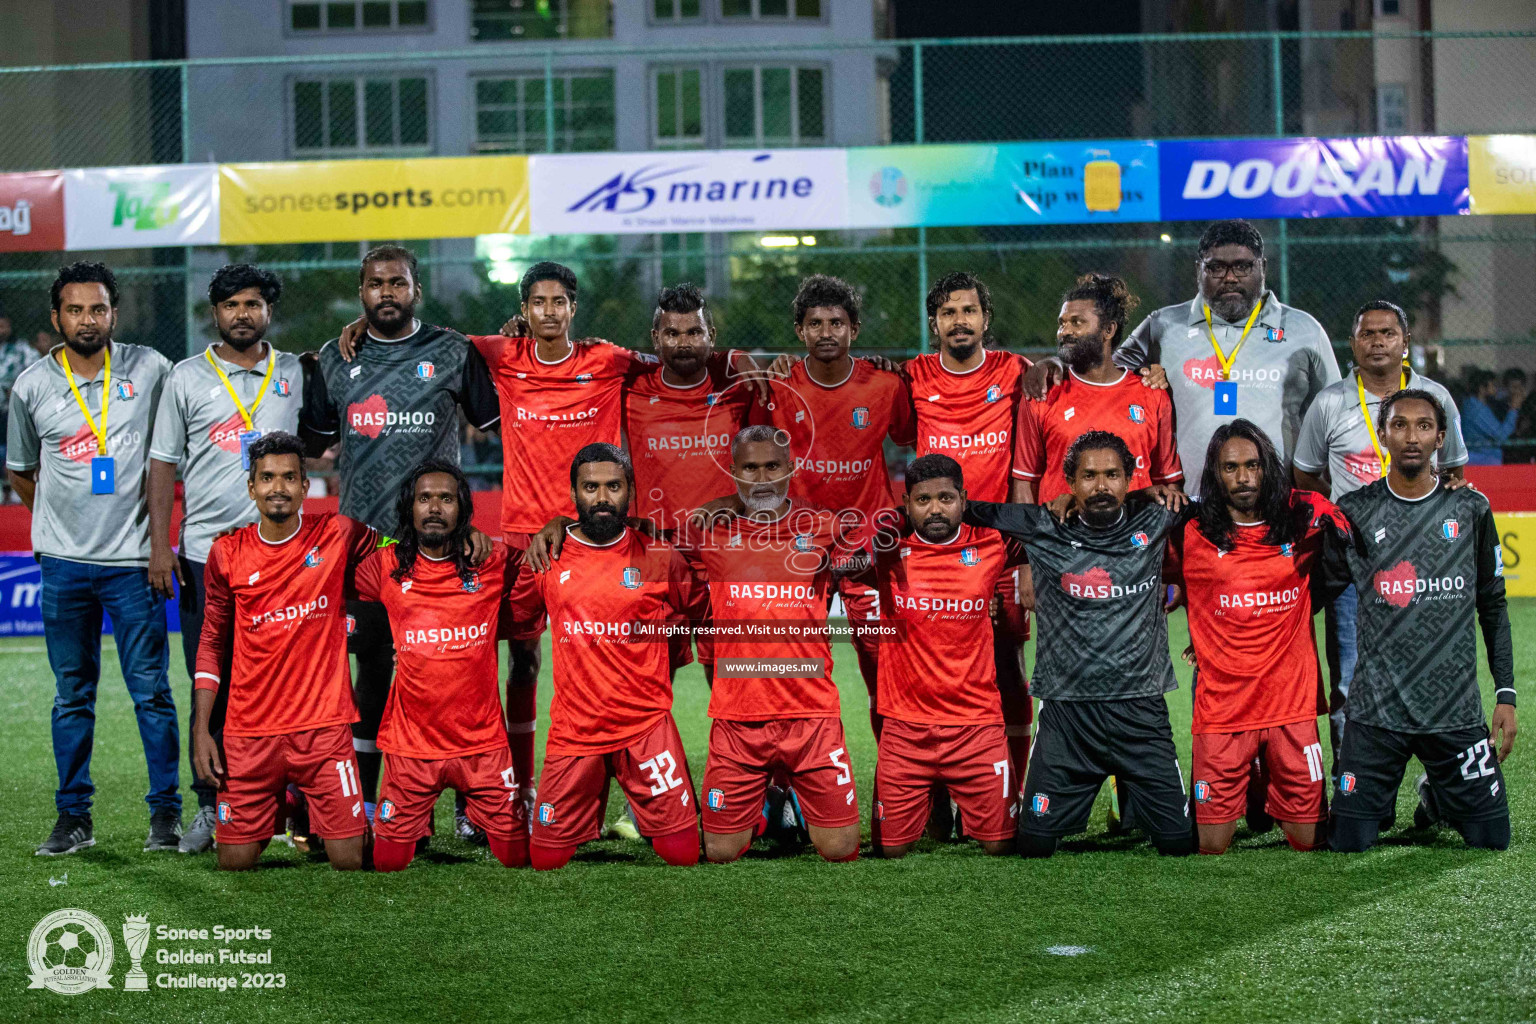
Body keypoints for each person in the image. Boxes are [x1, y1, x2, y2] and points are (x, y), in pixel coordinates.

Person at [299, 244, 502, 831]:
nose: (386, 292)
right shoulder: (334, 361)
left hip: (440, 547)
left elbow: (496, 418)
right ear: (360, 292)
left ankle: (473, 801)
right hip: (365, 549)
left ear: (417, 289)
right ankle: (362, 801)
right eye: (375, 284)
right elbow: (312, 444)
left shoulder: (452, 351)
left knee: (457, 671)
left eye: (398, 282)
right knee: (369, 673)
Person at [7, 262, 181, 856]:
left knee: (152, 693)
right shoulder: (31, 385)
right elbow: (20, 469)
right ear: (56, 317)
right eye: (76, 310)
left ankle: (166, 817)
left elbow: (170, 453)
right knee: (72, 696)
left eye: (98, 309)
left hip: (135, 564)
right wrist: (57, 520)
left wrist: (159, 543)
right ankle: (73, 817)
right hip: (62, 566)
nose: (88, 320)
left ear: (114, 313)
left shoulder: (152, 369)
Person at [964, 430, 1194, 858]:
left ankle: (1129, 803)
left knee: (1179, 844)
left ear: (1129, 479)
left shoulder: (1158, 516)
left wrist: (1148, 494)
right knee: (1033, 846)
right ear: (1069, 481)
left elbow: (1231, 509)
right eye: (1088, 476)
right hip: (1067, 713)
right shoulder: (1043, 524)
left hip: (1140, 709)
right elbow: (973, 512)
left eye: (1112, 475)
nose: (1101, 486)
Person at [147, 264, 302, 854]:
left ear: (269, 312)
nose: (244, 313)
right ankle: (211, 807)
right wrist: (161, 545)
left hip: (282, 558)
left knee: (287, 683)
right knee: (210, 680)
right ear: (214, 313)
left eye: (255, 304)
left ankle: (286, 804)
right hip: (205, 556)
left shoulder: (293, 372)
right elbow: (162, 463)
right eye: (232, 304)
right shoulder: (186, 378)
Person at [1326, 389, 1516, 851]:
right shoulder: (1353, 512)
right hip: (1375, 713)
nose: (1412, 436)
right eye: (1400, 425)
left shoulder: (1471, 509)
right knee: (1348, 841)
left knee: (1491, 840)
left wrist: (1505, 695)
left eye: (1424, 426)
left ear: (1441, 439)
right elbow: (1313, 596)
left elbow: (1493, 605)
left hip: (1453, 711)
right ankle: (1382, 799)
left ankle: (1437, 798)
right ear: (1384, 435)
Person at [1027, 220, 1340, 491]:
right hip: (1191, 506)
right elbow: (1102, 370)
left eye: (1243, 266)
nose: (1229, 277)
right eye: (1216, 267)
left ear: (1263, 268)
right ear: (1198, 271)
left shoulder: (1303, 330)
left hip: (1279, 504)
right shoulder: (1164, 324)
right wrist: (1056, 363)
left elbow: (1335, 420)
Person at [1292, 300, 1468, 762]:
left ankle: (1440, 784)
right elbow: (1306, 474)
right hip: (1354, 562)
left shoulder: (1436, 398)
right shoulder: (1329, 402)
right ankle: (1353, 785)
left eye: (1388, 333)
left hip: (1425, 562)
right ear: (1352, 343)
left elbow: (1454, 473)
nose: (1377, 342)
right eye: (1367, 333)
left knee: (1435, 668)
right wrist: (1349, 512)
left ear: (1405, 342)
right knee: (1350, 676)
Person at [510, 444, 701, 869]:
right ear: (574, 493)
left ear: (630, 490)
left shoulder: (659, 555)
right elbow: (516, 618)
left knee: (683, 855)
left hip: (646, 726)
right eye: (590, 487)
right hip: (576, 732)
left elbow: (702, 607)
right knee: (545, 859)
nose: (601, 498)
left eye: (612, 486)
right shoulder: (546, 557)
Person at [190, 433, 374, 870]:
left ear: (305, 486)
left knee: (350, 861)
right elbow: (212, 643)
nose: (279, 487)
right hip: (250, 734)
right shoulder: (226, 553)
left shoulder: (338, 534)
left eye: (289, 477)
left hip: (323, 731)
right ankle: (288, 802)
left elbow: (400, 558)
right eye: (267, 477)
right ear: (251, 486)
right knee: (234, 863)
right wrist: (201, 730)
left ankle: (300, 799)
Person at [1166, 420, 1352, 854]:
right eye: (1230, 468)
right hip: (1223, 713)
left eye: (1252, 465)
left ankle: (1263, 782)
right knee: (1210, 847)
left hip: (1292, 708)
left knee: (1309, 843)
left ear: (1267, 468)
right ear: (1215, 473)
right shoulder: (1190, 535)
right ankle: (1252, 783)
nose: (1243, 477)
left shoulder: (1302, 527)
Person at [689, 425, 859, 863]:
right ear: (732, 472)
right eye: (750, 468)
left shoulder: (824, 527)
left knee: (839, 850)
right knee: (721, 852)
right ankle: (769, 801)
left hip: (811, 712)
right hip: (738, 716)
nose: (761, 479)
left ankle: (794, 798)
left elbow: (872, 544)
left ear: (791, 468)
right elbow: (644, 541)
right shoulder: (709, 531)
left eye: (771, 467)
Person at [902, 271, 1032, 830]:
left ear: (986, 319)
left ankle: (1015, 788)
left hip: (997, 551)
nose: (959, 320)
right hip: (931, 556)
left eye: (969, 310)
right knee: (921, 673)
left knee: (1006, 669)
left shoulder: (1016, 372)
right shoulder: (912, 376)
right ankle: (929, 798)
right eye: (949, 311)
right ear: (935, 323)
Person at [758, 274, 915, 732]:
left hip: (870, 547)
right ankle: (790, 786)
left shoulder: (884, 384)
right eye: (815, 324)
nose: (826, 333)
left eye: (837, 323)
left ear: (855, 329)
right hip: (800, 550)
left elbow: (908, 435)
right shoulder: (780, 385)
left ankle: (896, 791)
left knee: (885, 677)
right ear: (798, 331)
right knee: (793, 675)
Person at [355, 461, 528, 872]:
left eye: (446, 499)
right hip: (410, 749)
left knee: (518, 858)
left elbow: (540, 565)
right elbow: (333, 569)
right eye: (424, 498)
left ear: (462, 509)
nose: (434, 508)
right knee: (389, 862)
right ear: (409, 507)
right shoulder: (385, 566)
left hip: (483, 748)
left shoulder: (493, 561)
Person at [871, 454, 1024, 858]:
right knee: (891, 851)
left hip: (976, 725)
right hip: (906, 729)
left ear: (964, 499)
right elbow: (841, 555)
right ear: (907, 505)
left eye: (946, 498)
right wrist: (886, 524)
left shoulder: (991, 544)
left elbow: (1041, 527)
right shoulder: (888, 554)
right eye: (923, 501)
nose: (935, 509)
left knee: (1001, 846)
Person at [1011, 274, 1182, 505]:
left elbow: (1167, 481)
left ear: (1108, 330)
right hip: (1063, 535)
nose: (1065, 331)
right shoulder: (1042, 393)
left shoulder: (1151, 392)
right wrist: (1036, 539)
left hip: (1133, 537)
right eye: (1062, 323)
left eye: (1077, 322)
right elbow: (1025, 481)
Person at [1459, 369, 1518, 465]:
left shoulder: (1475, 404)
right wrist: (1513, 410)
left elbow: (1502, 395)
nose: (1496, 389)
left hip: (1483, 457)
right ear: (1482, 388)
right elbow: (1501, 435)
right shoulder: (1476, 409)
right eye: (1493, 385)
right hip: (1482, 460)